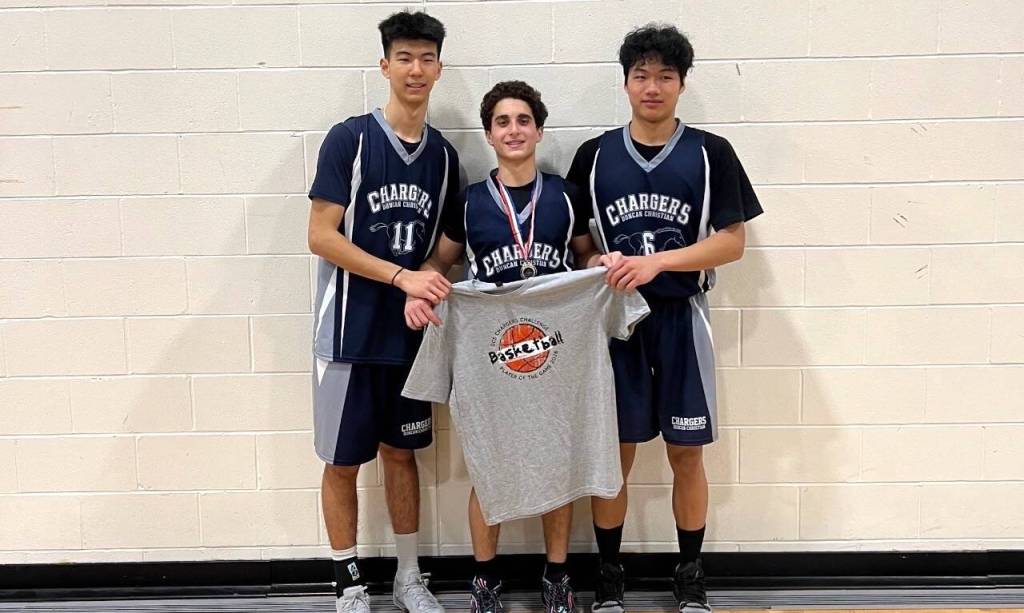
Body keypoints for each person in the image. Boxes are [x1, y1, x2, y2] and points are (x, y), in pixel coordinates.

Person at [565, 24, 764, 613]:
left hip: (681, 316)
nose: (652, 87)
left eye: (665, 76)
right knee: (615, 453)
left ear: (682, 84)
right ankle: (609, 576)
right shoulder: (594, 156)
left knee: (686, 451)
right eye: (641, 75)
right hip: (616, 322)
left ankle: (690, 574)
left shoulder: (710, 152)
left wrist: (657, 262)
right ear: (625, 83)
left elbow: (731, 243)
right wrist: (595, 260)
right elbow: (576, 240)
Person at [405, 80, 603, 613]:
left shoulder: (565, 195)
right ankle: (485, 579)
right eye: (502, 122)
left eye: (523, 120)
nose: (513, 130)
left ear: (539, 131)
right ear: (490, 136)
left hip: (556, 350)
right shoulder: (470, 202)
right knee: (488, 465)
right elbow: (439, 262)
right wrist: (419, 287)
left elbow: (584, 256)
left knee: (558, 463)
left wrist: (599, 266)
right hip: (493, 353)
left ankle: (557, 576)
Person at [306, 10, 460, 613]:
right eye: (404, 58)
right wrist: (401, 276)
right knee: (343, 461)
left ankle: (408, 576)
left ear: (439, 69)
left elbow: (444, 248)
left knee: (403, 453)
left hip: (407, 335)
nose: (415, 69)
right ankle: (348, 583)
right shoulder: (349, 139)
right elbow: (321, 235)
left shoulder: (444, 157)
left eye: (426, 58)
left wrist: (430, 281)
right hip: (347, 333)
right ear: (385, 66)